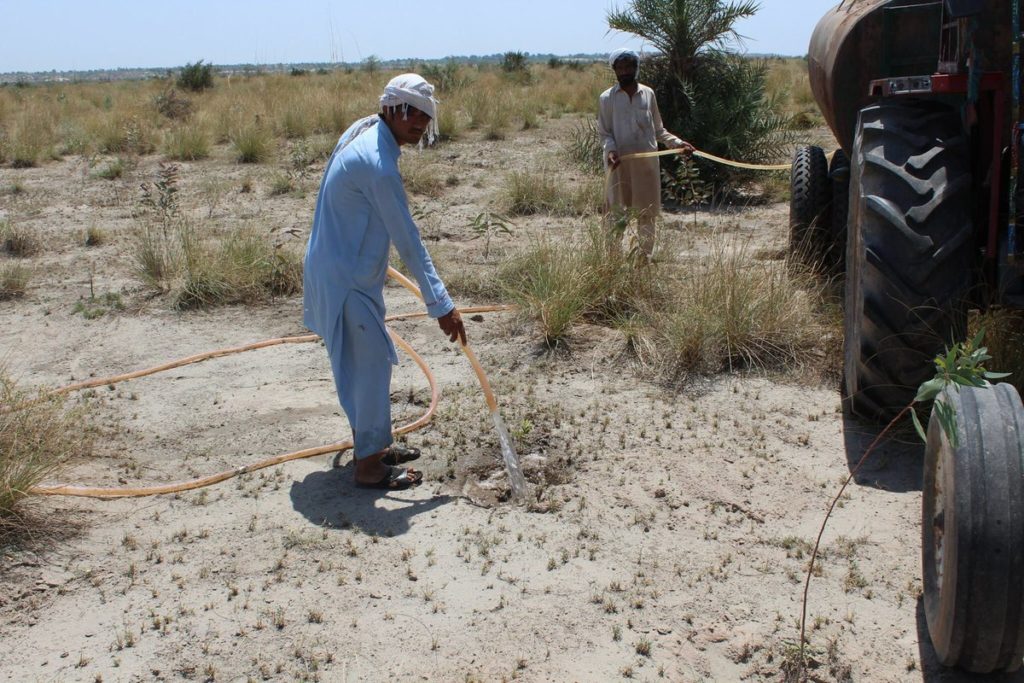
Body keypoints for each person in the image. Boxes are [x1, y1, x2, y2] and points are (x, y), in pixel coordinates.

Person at [303, 73, 466, 490]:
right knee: (370, 366)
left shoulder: (367, 131)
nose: (419, 123)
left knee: (363, 367)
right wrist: (442, 305)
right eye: (410, 113)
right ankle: (369, 467)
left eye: (425, 116)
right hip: (344, 280)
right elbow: (408, 239)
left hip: (344, 271)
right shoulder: (379, 166)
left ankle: (371, 446)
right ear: (391, 108)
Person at [598, 49, 694, 260]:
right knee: (616, 214)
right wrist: (611, 151)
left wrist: (678, 144)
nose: (624, 72)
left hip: (646, 166)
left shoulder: (648, 94)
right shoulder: (606, 98)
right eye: (620, 68)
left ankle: (644, 259)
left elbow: (659, 130)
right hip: (618, 166)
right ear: (615, 70)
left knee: (647, 214)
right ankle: (612, 260)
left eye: (628, 67)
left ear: (635, 68)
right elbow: (605, 133)